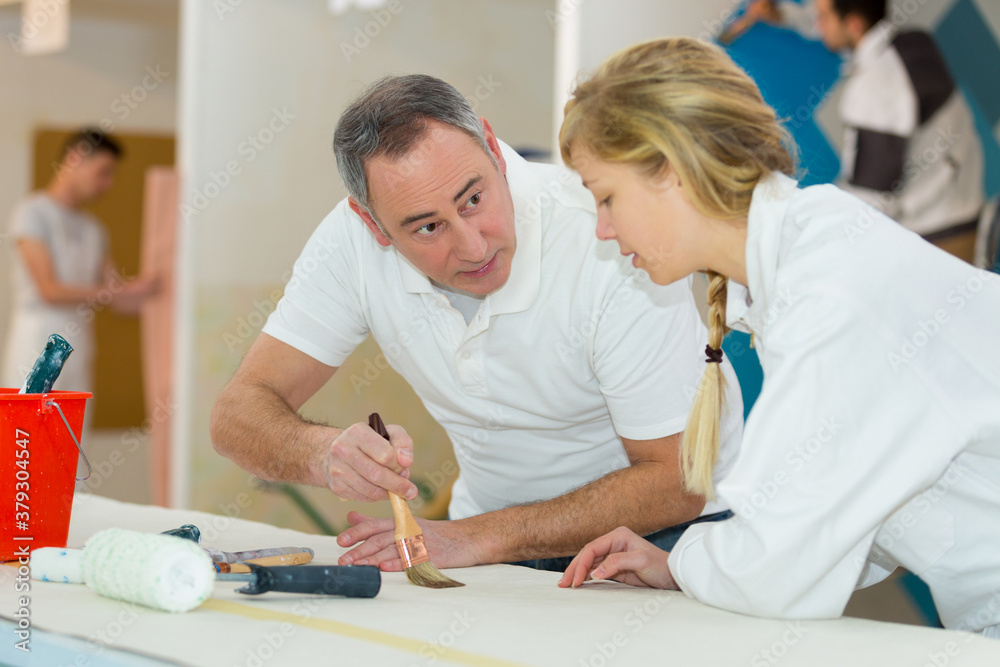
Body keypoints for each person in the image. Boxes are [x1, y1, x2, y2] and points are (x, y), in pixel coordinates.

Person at [556, 37, 1000, 638]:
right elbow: (841, 518)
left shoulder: (829, 289)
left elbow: (780, 569)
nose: (603, 230)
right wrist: (683, 564)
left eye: (606, 197)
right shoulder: (806, 261)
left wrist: (691, 560)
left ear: (672, 169)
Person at [210, 74, 744, 572]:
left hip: (669, 541)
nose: (473, 245)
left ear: (492, 146)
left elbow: (678, 480)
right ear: (372, 223)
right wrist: (321, 454)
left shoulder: (605, 236)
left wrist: (477, 537)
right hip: (488, 542)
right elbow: (237, 413)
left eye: (473, 198)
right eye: (427, 227)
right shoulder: (348, 247)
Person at [2, 129, 157, 395]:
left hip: (79, 342)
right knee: (26, 432)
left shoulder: (94, 229)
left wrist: (156, 288)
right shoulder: (32, 213)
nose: (107, 184)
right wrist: (123, 290)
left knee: (72, 429)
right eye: (103, 171)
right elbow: (49, 291)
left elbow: (119, 298)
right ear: (76, 157)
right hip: (37, 340)